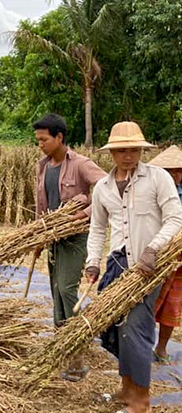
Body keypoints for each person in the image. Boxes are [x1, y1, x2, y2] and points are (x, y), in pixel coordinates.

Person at [85, 122, 182, 413]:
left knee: (137, 330)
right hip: (118, 265)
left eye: (134, 150)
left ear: (142, 150)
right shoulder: (102, 188)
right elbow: (97, 229)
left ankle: (141, 401)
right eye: (122, 150)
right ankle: (127, 390)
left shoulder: (157, 179)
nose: (128, 155)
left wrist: (153, 249)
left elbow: (175, 219)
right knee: (118, 329)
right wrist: (92, 263)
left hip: (149, 267)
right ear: (112, 153)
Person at [33, 113, 106, 381]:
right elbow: (42, 205)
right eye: (38, 140)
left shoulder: (80, 164)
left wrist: (85, 212)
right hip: (52, 238)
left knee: (66, 290)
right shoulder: (42, 166)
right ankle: (62, 348)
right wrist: (37, 236)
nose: (40, 144)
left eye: (44, 139)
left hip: (75, 239)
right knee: (56, 292)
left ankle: (77, 355)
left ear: (59, 137)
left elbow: (105, 186)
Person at [147, 146, 182, 364]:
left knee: (173, 303)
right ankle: (141, 346)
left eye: (178, 170)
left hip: (179, 257)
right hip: (156, 254)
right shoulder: (153, 191)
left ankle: (161, 348)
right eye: (169, 171)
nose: (175, 175)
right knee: (148, 301)